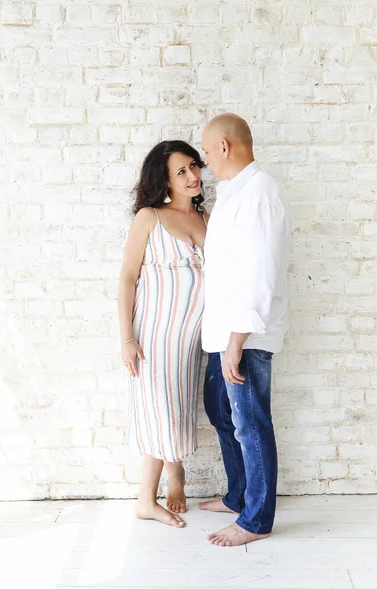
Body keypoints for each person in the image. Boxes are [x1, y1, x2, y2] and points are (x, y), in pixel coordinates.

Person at [198, 113, 292, 546]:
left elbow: (260, 274)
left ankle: (256, 520)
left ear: (224, 147)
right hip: (224, 332)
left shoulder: (261, 193)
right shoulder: (235, 194)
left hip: (245, 335)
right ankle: (239, 495)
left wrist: (237, 340)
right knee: (223, 414)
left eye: (206, 150)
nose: (204, 162)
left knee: (251, 423)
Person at [118, 140, 208, 528]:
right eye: (181, 172)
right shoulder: (150, 217)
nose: (192, 176)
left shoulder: (208, 219)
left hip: (191, 340)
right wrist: (126, 338)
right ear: (165, 181)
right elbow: (127, 277)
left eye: (194, 166)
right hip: (154, 336)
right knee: (159, 413)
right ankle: (146, 498)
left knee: (177, 408)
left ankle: (176, 476)